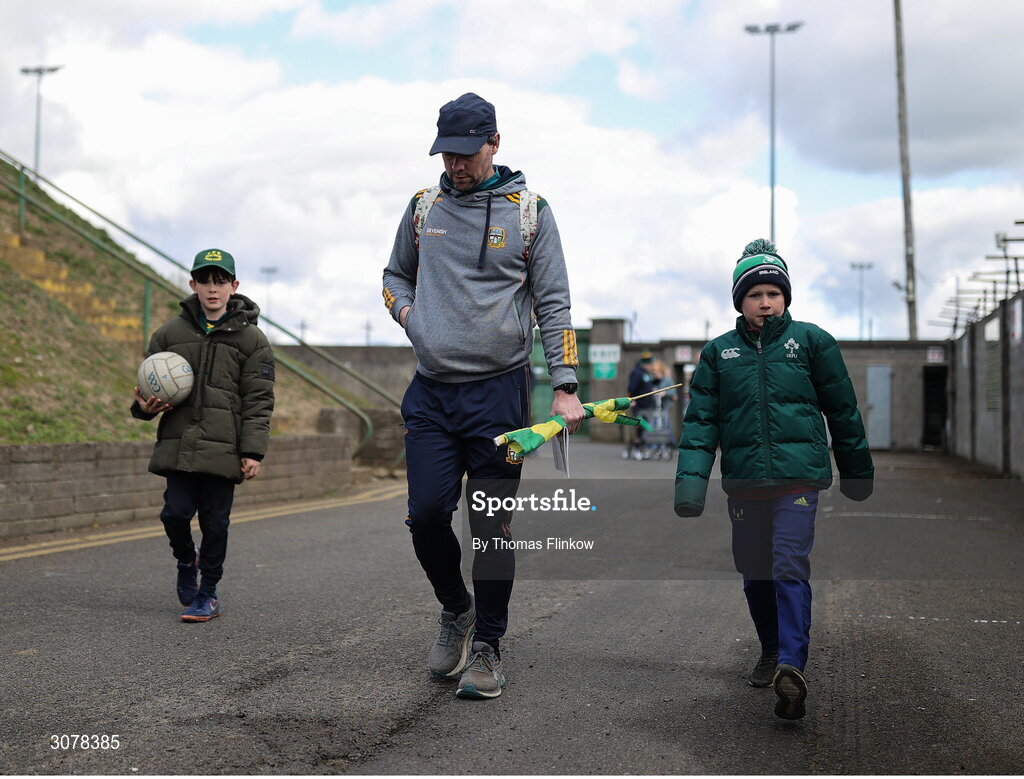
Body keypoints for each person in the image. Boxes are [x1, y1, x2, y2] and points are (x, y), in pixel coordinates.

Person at [382, 92, 585, 699]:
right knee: (424, 517)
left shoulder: (530, 212)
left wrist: (566, 385)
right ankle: (456, 608)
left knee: (491, 526)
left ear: (494, 143)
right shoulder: (423, 207)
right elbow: (394, 276)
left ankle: (490, 646)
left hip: (500, 396)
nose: (456, 165)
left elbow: (555, 303)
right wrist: (411, 316)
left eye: (467, 152)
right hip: (433, 395)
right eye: (447, 153)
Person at [674, 239, 873, 720]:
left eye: (774, 293)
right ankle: (770, 648)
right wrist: (691, 487)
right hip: (745, 485)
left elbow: (842, 410)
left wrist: (857, 469)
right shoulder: (719, 353)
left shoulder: (810, 342)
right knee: (754, 572)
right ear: (739, 302)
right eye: (754, 294)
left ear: (785, 298)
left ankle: (791, 665)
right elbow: (701, 424)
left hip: (796, 481)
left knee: (788, 564)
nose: (765, 302)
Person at [131, 248, 275, 623]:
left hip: (224, 449)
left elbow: (259, 400)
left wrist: (253, 451)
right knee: (174, 514)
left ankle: (208, 592)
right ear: (193, 284)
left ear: (234, 286)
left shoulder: (252, 340)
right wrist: (143, 409)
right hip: (178, 444)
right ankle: (184, 559)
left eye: (221, 280)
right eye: (205, 281)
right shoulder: (168, 333)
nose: (213, 288)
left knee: (215, 524)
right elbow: (147, 388)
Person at [625, 352, 655, 459]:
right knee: (638, 427)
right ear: (645, 364)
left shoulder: (647, 374)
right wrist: (630, 401)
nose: (652, 366)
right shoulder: (637, 373)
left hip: (646, 406)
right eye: (650, 364)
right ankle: (636, 450)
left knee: (642, 429)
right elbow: (630, 388)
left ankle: (632, 449)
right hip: (637, 406)